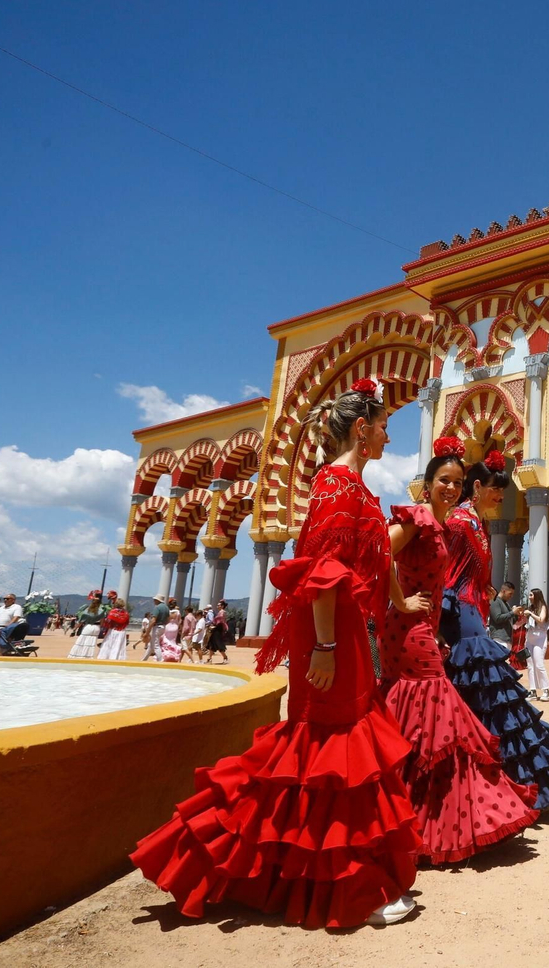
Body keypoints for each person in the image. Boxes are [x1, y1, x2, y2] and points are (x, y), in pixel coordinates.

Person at [132, 380, 423, 928]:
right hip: (332, 633)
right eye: (384, 425)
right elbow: (322, 576)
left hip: (344, 633)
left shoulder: (351, 487)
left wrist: (401, 578)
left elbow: (370, 557)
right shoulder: (338, 485)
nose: (388, 434)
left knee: (330, 755)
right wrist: (330, 646)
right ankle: (346, 888)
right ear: (363, 429)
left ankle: (316, 875)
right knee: (335, 752)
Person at [383, 437, 540, 864]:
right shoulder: (423, 518)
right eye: (444, 480)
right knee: (434, 714)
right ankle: (414, 816)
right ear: (428, 483)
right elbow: (379, 549)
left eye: (456, 480)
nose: (451, 487)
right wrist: (400, 600)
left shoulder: (443, 522)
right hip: (410, 629)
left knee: (425, 719)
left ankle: (414, 814)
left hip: (425, 628)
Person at [443, 450, 549, 810]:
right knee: (485, 700)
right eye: (497, 489)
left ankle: (512, 781)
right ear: (477, 486)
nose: (501, 496)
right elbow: (444, 577)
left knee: (492, 701)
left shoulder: (476, 522)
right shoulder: (459, 523)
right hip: (460, 620)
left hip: (471, 617)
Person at [523, 588, 549, 702]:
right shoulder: (531, 608)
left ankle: (546, 690)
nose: (529, 597)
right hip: (529, 638)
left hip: (540, 639)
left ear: (536, 596)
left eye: (531, 595)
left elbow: (541, 620)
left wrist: (530, 614)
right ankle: (533, 691)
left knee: (539, 664)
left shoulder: (543, 607)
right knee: (530, 665)